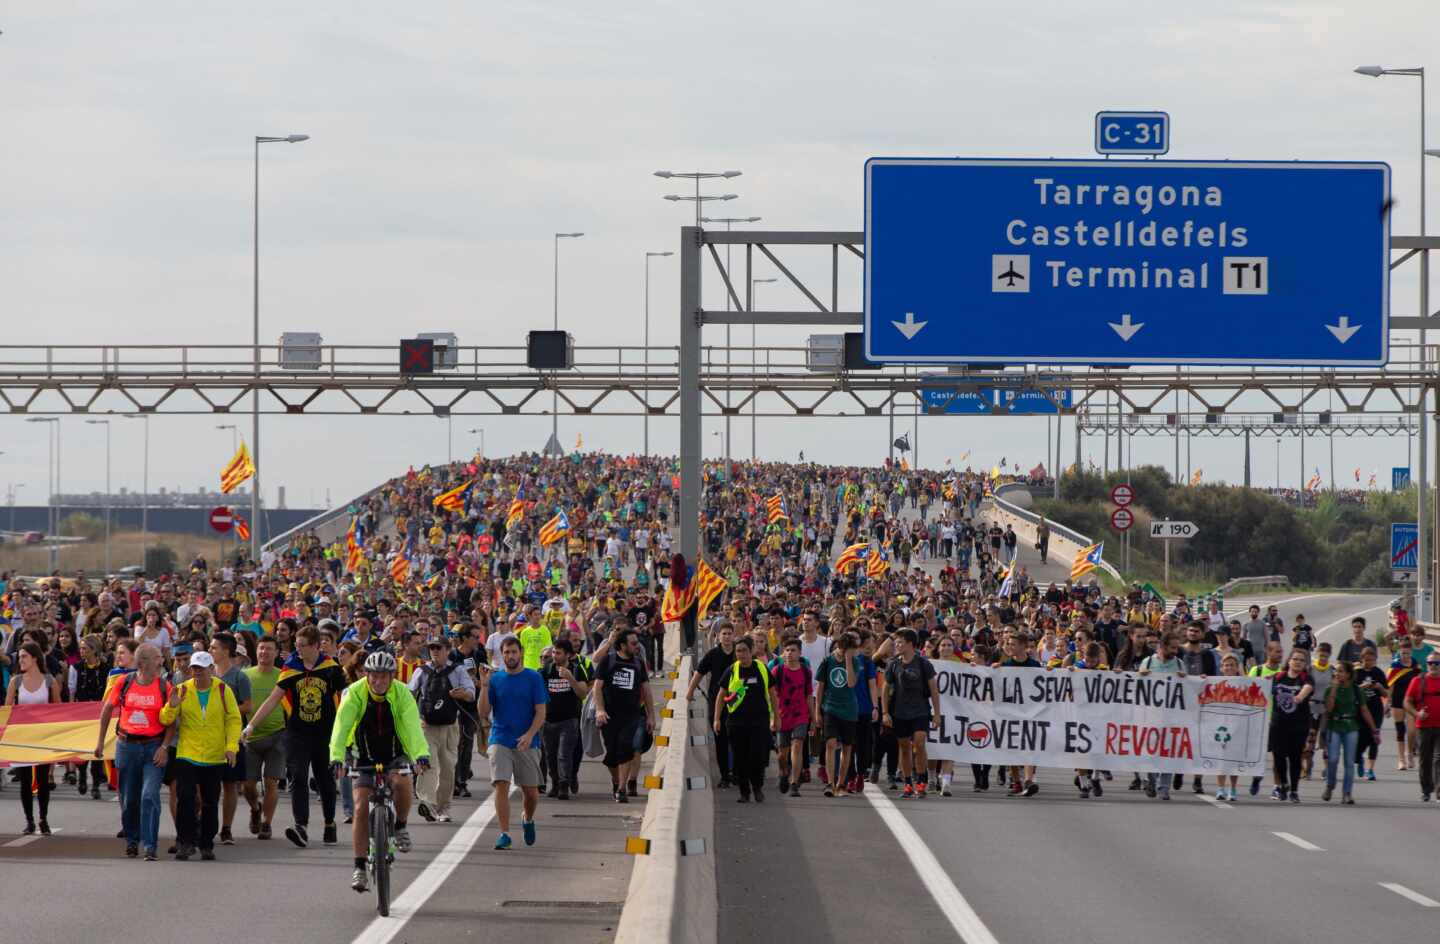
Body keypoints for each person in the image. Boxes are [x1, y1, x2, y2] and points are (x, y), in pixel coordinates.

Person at [329, 651, 431, 893]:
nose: (378, 681)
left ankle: (401, 826)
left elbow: (412, 726)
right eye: (374, 676)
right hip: (363, 754)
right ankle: (359, 867)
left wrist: (420, 754)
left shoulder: (402, 692)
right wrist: (336, 757)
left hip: (395, 752)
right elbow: (341, 726)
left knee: (403, 782)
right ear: (366, 674)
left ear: (391, 677)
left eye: (384, 676)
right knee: (360, 805)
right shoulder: (354, 692)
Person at [243, 624, 349, 848]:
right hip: (296, 733)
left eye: (302, 646)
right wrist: (251, 726)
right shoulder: (291, 667)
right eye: (296, 645)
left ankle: (330, 823)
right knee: (297, 777)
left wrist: (348, 730)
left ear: (315, 646)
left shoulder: (331, 668)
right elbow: (273, 698)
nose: (297, 650)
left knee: (325, 779)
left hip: (325, 733)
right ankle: (301, 825)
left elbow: (346, 698)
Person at [159, 650, 242, 861]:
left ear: (211, 669)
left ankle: (206, 843)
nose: (197, 672)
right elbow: (165, 719)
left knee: (210, 802)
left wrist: (231, 746)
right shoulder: (181, 690)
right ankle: (185, 843)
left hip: (214, 756)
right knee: (186, 798)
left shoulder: (223, 690)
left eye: (201, 669)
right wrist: (172, 706)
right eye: (194, 668)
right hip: (188, 754)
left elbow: (233, 720)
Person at [96, 642, 169, 860]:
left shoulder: (165, 686)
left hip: (153, 748)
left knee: (149, 795)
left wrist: (164, 747)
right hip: (127, 747)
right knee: (129, 799)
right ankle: (132, 840)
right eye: (158, 657)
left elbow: (172, 719)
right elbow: (107, 710)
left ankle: (150, 845)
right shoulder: (124, 682)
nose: (162, 660)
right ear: (145, 662)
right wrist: (100, 742)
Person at [479, 636, 547, 850]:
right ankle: (504, 833)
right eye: (506, 652)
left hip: (527, 741)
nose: (510, 656)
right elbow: (483, 712)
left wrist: (529, 735)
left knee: (531, 793)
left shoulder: (533, 678)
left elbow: (541, 712)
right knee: (501, 784)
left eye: (513, 652)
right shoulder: (495, 679)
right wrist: (483, 686)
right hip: (500, 738)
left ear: (521, 653)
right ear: (502, 654)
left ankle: (527, 818)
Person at [408, 635, 474, 824]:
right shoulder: (422, 671)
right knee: (428, 764)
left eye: (438, 647)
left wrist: (463, 694)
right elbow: (409, 693)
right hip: (426, 726)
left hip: (450, 727)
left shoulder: (458, 670)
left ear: (447, 649)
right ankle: (427, 804)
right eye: (432, 648)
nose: (435, 651)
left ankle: (443, 808)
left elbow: (471, 693)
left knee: (447, 769)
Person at [593, 628, 654, 803]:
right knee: (612, 754)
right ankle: (616, 780)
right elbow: (597, 687)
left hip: (632, 716)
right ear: (622, 645)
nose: (637, 646)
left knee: (626, 749)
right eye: (633, 643)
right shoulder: (608, 660)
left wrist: (651, 716)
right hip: (610, 716)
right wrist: (600, 709)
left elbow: (647, 690)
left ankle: (621, 789)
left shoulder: (638, 663)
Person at [6, 642, 61, 834]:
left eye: (24, 657)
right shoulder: (16, 681)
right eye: (20, 657)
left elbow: (58, 709)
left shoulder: (49, 680)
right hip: (23, 738)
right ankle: (29, 820)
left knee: (43, 779)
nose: (20, 660)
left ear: (35, 658)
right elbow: (7, 711)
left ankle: (43, 818)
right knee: (25, 780)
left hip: (43, 738)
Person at [881, 629, 940, 799]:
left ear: (910, 644)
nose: (897, 645)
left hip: (920, 711)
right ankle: (908, 783)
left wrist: (937, 714)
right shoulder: (893, 664)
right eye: (896, 642)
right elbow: (885, 690)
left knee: (920, 743)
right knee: (904, 747)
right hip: (899, 712)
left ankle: (921, 781)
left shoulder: (924, 664)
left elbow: (934, 690)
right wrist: (885, 712)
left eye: (900, 642)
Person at [714, 636, 775, 803]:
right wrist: (717, 719)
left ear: (751, 651)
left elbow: (772, 694)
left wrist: (775, 717)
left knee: (757, 756)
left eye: (744, 651)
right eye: (738, 651)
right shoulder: (732, 670)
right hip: (736, 722)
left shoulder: (761, 669)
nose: (741, 654)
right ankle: (744, 792)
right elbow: (721, 695)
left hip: (759, 722)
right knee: (740, 759)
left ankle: (757, 787)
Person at [208, 632, 252, 845]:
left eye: (214, 648)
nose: (210, 651)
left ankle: (226, 828)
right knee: (207, 784)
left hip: (231, 738)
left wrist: (226, 710)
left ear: (226, 651)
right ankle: (206, 824)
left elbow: (248, 705)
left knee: (229, 783)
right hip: (207, 737)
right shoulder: (207, 674)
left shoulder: (239, 677)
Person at [242, 636, 285, 839]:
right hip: (250, 738)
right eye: (261, 649)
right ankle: (255, 808)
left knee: (271, 782)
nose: (264, 652)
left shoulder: (283, 675)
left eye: (269, 649)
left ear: (276, 653)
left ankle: (267, 823)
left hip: (277, 735)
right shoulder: (245, 675)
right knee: (248, 785)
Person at [1318, 660, 1378, 805]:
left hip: (1351, 727)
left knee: (1349, 763)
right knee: (1332, 759)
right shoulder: (1330, 689)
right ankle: (1330, 785)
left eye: (1341, 671)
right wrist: (1333, 689)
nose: (1337, 674)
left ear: (1349, 674)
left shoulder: (1357, 690)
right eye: (1336, 671)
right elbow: (1329, 709)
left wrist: (1374, 729)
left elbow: (1364, 710)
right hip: (1334, 726)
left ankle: (1347, 793)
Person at [686, 623, 737, 789]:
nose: (727, 637)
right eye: (724, 634)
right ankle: (724, 776)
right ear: (718, 636)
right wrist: (690, 691)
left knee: (737, 741)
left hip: (738, 703)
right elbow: (699, 672)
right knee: (720, 740)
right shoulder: (713, 654)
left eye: (730, 633)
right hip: (717, 702)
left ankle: (737, 773)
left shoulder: (740, 653)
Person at [540, 638, 590, 801]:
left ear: (568, 655)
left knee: (564, 754)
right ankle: (554, 783)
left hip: (569, 720)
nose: (555, 656)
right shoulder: (546, 670)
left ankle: (564, 785)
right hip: (548, 720)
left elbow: (582, 693)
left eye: (558, 653)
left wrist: (570, 678)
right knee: (550, 755)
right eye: (554, 652)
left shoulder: (576, 670)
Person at [1138, 631, 1185, 800]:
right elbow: (1136, 689)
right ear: (1163, 646)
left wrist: (1186, 679)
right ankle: (1150, 777)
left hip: (1172, 718)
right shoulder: (1148, 662)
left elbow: (1186, 691)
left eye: (1177, 647)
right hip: (1151, 716)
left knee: (1168, 752)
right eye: (1172, 647)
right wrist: (1140, 676)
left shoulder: (1179, 664)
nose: (1176, 651)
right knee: (1150, 752)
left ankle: (1163, 787)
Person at [814, 632, 858, 799]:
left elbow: (851, 683)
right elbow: (820, 687)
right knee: (831, 743)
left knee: (847, 747)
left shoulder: (854, 661)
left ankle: (841, 783)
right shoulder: (827, 662)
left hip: (849, 710)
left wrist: (847, 660)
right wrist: (818, 710)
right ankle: (830, 783)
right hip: (831, 708)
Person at [1269, 650, 1315, 803]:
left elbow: (1308, 687)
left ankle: (1294, 790)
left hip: (1298, 725)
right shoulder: (1278, 677)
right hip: (1278, 724)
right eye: (1295, 659)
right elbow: (1259, 685)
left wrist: (1300, 697)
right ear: (1289, 661)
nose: (1298, 662)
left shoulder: (1305, 678)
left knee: (1295, 758)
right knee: (1278, 756)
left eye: (1301, 660)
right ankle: (1283, 784)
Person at [770, 638, 812, 798]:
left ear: (800, 653)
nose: (790, 653)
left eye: (793, 650)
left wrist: (813, 718)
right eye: (787, 650)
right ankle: (783, 772)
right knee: (782, 753)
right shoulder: (777, 671)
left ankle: (794, 783)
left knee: (797, 745)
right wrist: (773, 717)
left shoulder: (806, 672)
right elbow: (771, 696)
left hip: (800, 715)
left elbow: (808, 695)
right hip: (782, 715)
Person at [1404, 653, 1440, 802]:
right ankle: (1426, 789)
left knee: (1438, 758)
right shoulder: (1417, 681)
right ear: (1426, 664)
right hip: (1423, 726)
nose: (1433, 666)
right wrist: (1417, 713)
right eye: (1430, 663)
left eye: (1437, 663)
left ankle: (1439, 790)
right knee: (1425, 759)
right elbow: (1406, 702)